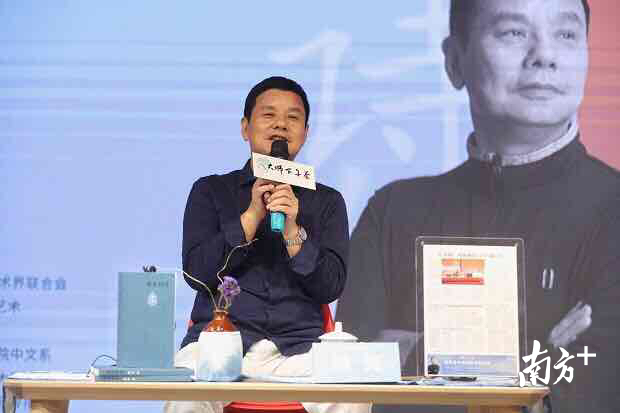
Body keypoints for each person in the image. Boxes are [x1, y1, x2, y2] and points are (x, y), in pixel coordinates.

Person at [337, 1, 620, 412]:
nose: (544, 55)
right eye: (514, 32)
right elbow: (349, 382)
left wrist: (415, 357)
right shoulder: (393, 213)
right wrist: (537, 357)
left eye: (566, 34)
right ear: (455, 61)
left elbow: (598, 391)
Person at [164, 76, 369, 413]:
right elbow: (196, 274)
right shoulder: (211, 191)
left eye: (293, 117)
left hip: (300, 350)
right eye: (269, 115)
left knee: (352, 387)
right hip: (220, 345)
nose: (281, 125)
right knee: (187, 391)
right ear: (245, 128)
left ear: (305, 132)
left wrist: (293, 231)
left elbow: (331, 286)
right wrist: (250, 217)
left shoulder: (327, 201)